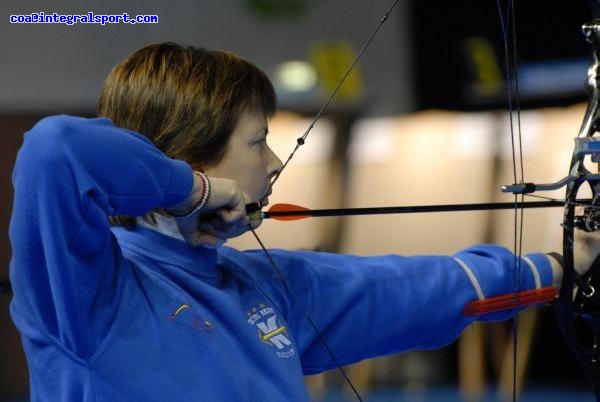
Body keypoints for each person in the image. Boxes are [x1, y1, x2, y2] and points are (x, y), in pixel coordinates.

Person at [7, 42, 599, 401]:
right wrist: (195, 191)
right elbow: (55, 151)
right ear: (191, 152)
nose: (273, 161)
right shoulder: (87, 291)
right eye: (259, 141)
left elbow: (414, 289)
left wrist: (565, 263)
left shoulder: (263, 286)